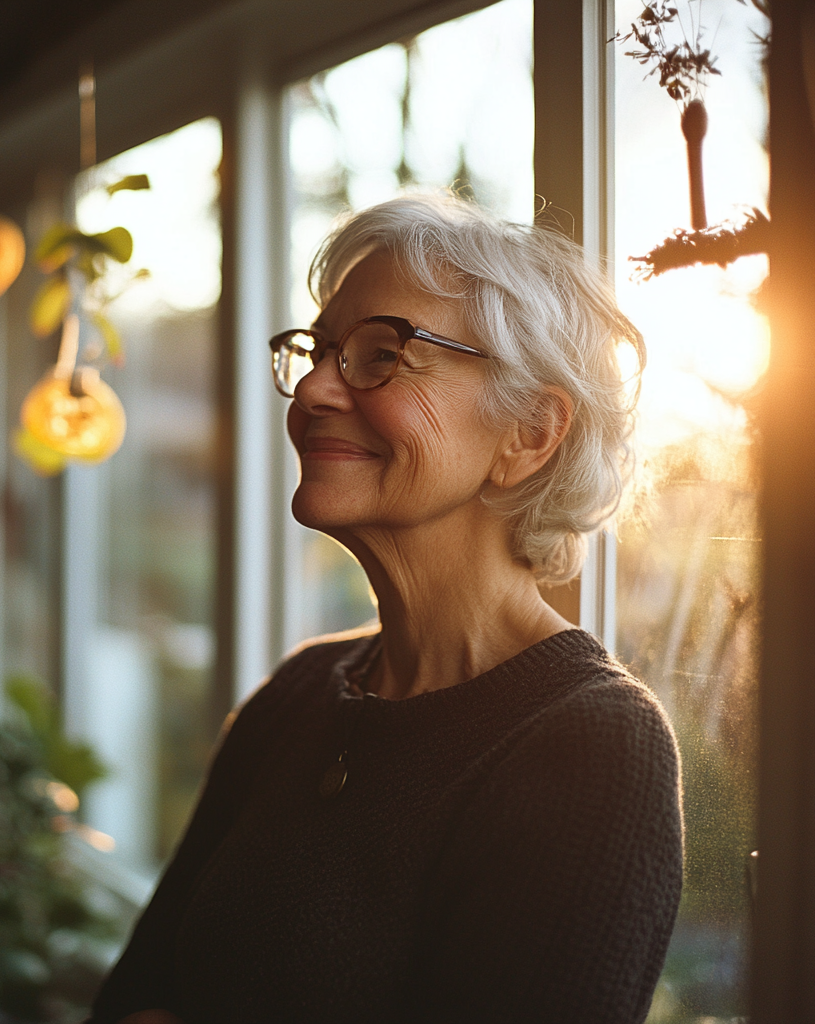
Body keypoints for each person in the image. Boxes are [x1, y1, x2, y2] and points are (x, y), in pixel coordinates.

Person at [89, 193, 683, 1024]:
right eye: (320, 351)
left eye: (381, 354)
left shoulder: (590, 748)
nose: (315, 393)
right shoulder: (299, 693)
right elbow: (136, 997)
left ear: (530, 433)